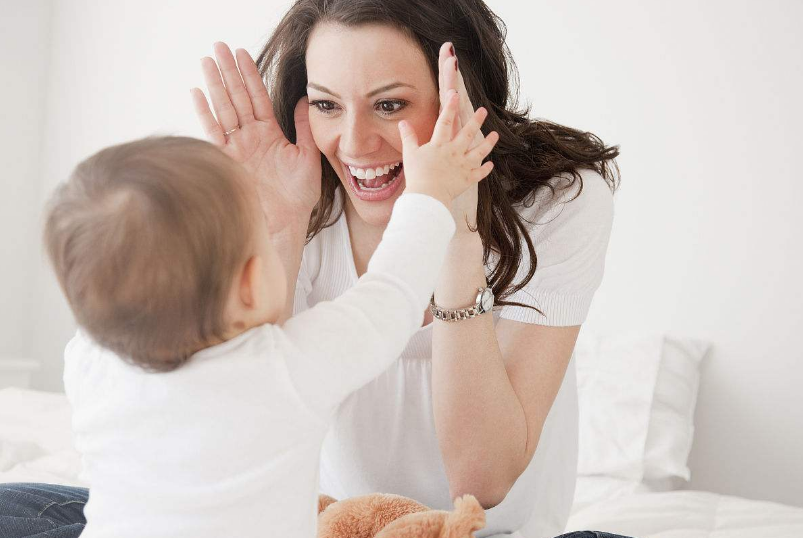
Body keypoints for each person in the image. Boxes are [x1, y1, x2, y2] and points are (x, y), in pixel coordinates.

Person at [0, 0, 627, 537]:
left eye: (389, 105)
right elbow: (251, 375)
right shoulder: (297, 190)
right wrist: (281, 222)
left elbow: (482, 482)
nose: (353, 145)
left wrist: (456, 233)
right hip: (320, 521)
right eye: (326, 105)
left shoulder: (562, 197)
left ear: (461, 96)